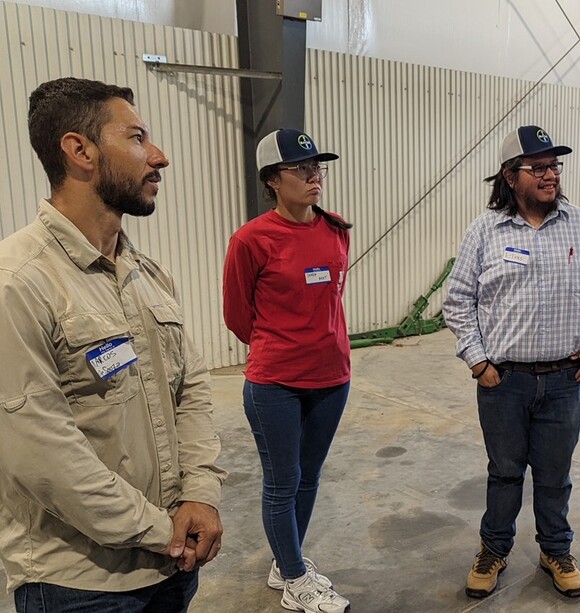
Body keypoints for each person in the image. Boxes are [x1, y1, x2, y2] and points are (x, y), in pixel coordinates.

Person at [0, 77, 227, 611]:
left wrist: (199, 494)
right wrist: (162, 527)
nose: (160, 156)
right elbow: (44, 457)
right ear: (80, 151)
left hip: (170, 562)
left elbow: (190, 392)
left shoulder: (147, 274)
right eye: (138, 138)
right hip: (80, 585)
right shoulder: (18, 283)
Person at [443, 125, 580, 600]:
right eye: (537, 167)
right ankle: (494, 549)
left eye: (554, 165)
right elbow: (457, 299)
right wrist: (479, 363)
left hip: (564, 378)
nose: (550, 175)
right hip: (504, 382)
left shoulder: (577, 223)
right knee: (504, 472)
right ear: (510, 176)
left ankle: (555, 550)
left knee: (555, 474)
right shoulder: (486, 230)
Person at [223, 128, 353, 613]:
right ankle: (296, 579)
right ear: (273, 180)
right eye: (301, 169)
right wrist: (283, 345)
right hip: (275, 382)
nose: (313, 176)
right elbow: (238, 317)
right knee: (282, 479)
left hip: (332, 377)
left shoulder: (336, 230)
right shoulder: (251, 240)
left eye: (317, 167)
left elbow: (330, 301)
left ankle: (286, 560)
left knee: (310, 475)